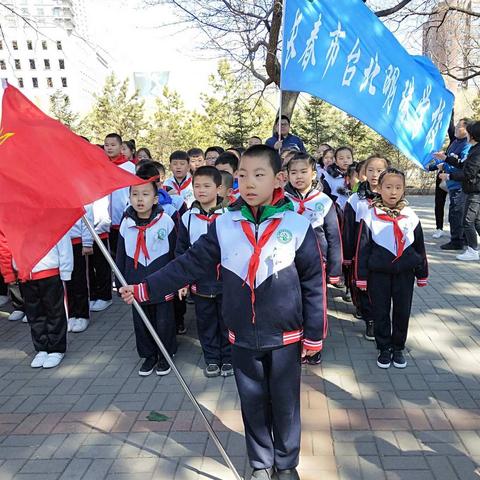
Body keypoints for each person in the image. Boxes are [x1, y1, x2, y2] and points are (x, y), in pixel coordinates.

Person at [119, 144, 326, 480]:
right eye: (243, 175)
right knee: (253, 403)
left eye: (259, 175)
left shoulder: (298, 225)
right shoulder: (226, 225)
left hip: (286, 336)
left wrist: (314, 335)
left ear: (279, 178)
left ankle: (286, 465)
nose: (249, 182)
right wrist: (145, 288)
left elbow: (313, 285)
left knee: (286, 406)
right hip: (242, 336)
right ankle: (261, 463)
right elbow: (188, 263)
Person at [355, 168, 428, 369]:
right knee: (380, 310)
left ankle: (398, 347)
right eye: (388, 187)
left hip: (405, 274)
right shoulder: (370, 216)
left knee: (402, 311)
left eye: (398, 187)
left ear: (404, 190)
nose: (393, 192)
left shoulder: (411, 216)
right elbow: (362, 249)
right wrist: (361, 277)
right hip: (379, 274)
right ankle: (384, 347)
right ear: (378, 188)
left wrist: (422, 273)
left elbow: (420, 247)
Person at [115, 176, 177, 376]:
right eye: (134, 194)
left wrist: (176, 281)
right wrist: (120, 283)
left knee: (164, 319)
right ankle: (149, 355)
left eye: (145, 194)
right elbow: (120, 255)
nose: (139, 199)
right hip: (135, 278)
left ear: (156, 198)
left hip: (162, 278)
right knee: (141, 320)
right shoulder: (126, 224)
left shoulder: (166, 221)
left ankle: (165, 354)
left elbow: (176, 253)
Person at [285, 153, 342, 365]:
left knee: (315, 306)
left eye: (303, 172)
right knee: (292, 306)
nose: (298, 176)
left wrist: (335, 270)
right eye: (293, 172)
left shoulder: (324, 201)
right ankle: (296, 345)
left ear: (313, 173)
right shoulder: (281, 201)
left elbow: (333, 236)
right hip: (288, 263)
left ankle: (314, 344)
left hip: (318, 263)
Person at [176, 166, 232, 377]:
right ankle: (211, 359)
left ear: (218, 189)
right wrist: (182, 280)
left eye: (206, 186)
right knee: (206, 322)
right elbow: (181, 251)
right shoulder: (187, 218)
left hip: (226, 281)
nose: (201, 190)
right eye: (197, 186)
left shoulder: (230, 215)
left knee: (227, 321)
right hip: (200, 281)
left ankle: (228, 358)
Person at [6, 235, 73, 369]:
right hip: (27, 275)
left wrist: (66, 270)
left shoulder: (52, 221)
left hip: (50, 273)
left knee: (54, 312)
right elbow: (15, 244)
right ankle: (42, 347)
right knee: (34, 314)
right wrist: (16, 266)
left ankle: (56, 349)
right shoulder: (20, 225)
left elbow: (64, 244)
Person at [343, 155, 389, 340]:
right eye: (370, 170)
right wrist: (347, 255)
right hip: (360, 251)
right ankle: (370, 320)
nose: (374, 174)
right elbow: (348, 228)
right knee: (362, 286)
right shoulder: (356, 199)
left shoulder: (390, 196)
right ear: (363, 173)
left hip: (384, 251)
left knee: (382, 287)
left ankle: (380, 318)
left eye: (379, 170)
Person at [440, 120, 480, 261]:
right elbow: (461, 164)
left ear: (473, 135)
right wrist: (445, 158)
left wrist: (449, 175)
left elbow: (468, 173)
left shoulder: (477, 152)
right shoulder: (474, 150)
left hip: (474, 192)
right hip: (471, 190)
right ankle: (473, 248)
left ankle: (473, 250)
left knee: (467, 221)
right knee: (476, 222)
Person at [431, 118, 471, 250]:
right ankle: (462, 239)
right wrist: (433, 166)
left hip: (460, 184)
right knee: (456, 212)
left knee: (456, 213)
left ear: (466, 130)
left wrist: (447, 171)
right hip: (451, 184)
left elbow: (462, 166)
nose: (456, 128)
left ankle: (457, 241)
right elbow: (447, 159)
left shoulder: (467, 145)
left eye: (459, 126)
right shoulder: (454, 142)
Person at [105, 133, 136, 266]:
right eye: (106, 145)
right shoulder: (101, 165)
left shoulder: (130, 167)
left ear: (121, 146)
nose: (109, 148)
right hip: (104, 223)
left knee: (123, 255)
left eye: (113, 145)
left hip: (124, 218)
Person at [66, 206, 94, 333]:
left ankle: (82, 314)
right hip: (62, 243)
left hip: (77, 241)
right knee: (67, 280)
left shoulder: (79, 192)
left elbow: (87, 216)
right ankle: (72, 314)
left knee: (79, 279)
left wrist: (87, 242)